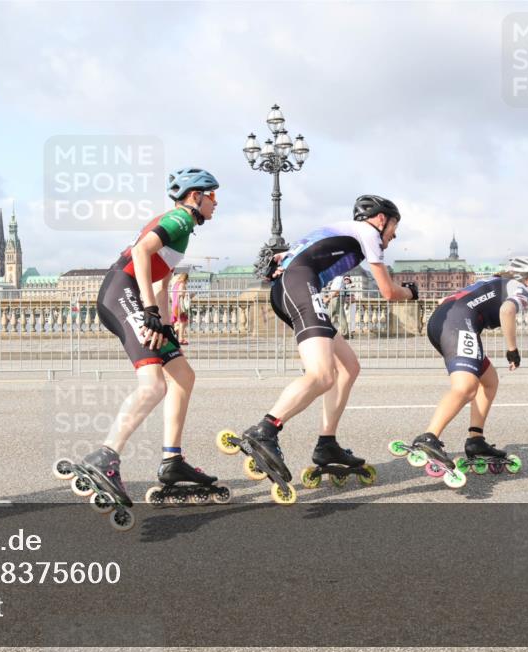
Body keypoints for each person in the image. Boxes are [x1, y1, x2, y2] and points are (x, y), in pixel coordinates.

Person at [53, 168, 226, 526]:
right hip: (123, 293)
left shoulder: (182, 226)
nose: (216, 202)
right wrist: (148, 310)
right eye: (212, 195)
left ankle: (172, 460)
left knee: (182, 374)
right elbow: (142, 252)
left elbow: (161, 284)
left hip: (131, 293)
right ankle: (106, 456)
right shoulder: (179, 218)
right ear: (195, 196)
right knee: (154, 385)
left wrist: (166, 325)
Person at [226, 195, 418, 502]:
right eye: (394, 225)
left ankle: (327, 442)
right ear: (382, 219)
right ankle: (264, 430)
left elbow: (282, 260)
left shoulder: (337, 231)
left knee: (348, 368)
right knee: (322, 375)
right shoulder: (369, 233)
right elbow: (388, 291)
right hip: (301, 286)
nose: (394, 235)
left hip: (294, 286)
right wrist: (412, 292)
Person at [398, 256, 528, 478]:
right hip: (459, 323)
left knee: (489, 381)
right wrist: (512, 349)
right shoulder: (521, 289)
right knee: (467, 386)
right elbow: (507, 311)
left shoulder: (492, 282)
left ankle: (476, 440)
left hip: (445, 320)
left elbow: (445, 301)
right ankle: (428, 437)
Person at [171, 272, 192, 344]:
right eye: (187, 280)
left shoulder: (175, 284)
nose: (187, 282)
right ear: (185, 278)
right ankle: (180, 338)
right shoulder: (182, 284)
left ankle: (177, 337)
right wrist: (188, 294)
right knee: (183, 322)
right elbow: (181, 294)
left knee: (178, 321)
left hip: (175, 304)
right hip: (180, 305)